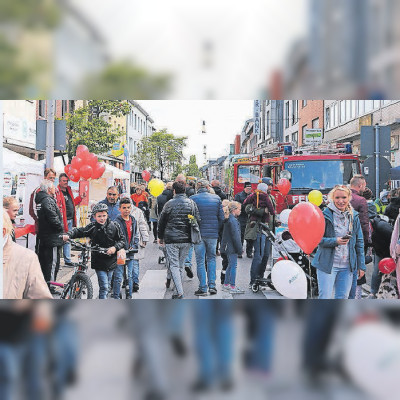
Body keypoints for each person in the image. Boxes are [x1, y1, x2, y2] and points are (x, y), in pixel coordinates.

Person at [312, 185, 366, 299]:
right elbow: (316, 239)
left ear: (349, 198)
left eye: (344, 197)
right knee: (325, 297)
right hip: (327, 265)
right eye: (337, 198)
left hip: (347, 266)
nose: (341, 201)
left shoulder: (353, 216)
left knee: (343, 297)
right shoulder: (324, 215)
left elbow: (359, 242)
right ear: (332, 198)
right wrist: (335, 241)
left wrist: (361, 266)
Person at [63, 202, 125, 299]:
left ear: (107, 215)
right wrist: (69, 235)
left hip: (111, 261)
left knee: (107, 285)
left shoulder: (114, 226)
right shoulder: (92, 227)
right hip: (99, 261)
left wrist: (115, 248)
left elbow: (122, 240)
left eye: (104, 215)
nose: (102, 218)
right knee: (104, 287)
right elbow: (80, 231)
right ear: (94, 217)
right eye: (99, 216)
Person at [158, 181, 200, 299]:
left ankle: (180, 292)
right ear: (185, 190)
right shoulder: (191, 203)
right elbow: (198, 220)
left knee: (174, 265)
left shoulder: (169, 204)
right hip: (187, 238)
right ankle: (177, 291)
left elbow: (162, 222)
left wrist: (160, 237)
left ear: (174, 191)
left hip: (171, 238)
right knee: (180, 265)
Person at [3, 210, 52, 299]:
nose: (16, 213)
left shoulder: (26, 258)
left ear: (2, 232)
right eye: (14, 210)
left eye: (16, 210)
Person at [191, 179, 225, 296]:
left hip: (199, 234)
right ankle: (212, 286)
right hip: (212, 234)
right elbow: (221, 218)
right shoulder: (216, 199)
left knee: (200, 261)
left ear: (198, 186)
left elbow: (191, 217)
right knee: (211, 259)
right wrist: (216, 229)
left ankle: (203, 287)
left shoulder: (193, 198)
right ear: (207, 187)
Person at [35, 180, 65, 293]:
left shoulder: (40, 199)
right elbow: (53, 218)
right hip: (52, 237)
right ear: (48, 189)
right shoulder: (47, 200)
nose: (55, 189)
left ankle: (45, 285)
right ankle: (50, 287)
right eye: (53, 187)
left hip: (45, 236)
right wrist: (60, 227)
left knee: (45, 262)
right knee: (52, 263)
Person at [244, 183, 275, 287]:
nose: (271, 187)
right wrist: (262, 210)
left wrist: (276, 222)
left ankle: (260, 277)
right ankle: (253, 280)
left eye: (271, 185)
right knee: (258, 255)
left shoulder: (271, 197)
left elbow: (272, 213)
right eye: (269, 185)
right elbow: (247, 208)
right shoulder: (255, 196)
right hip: (258, 229)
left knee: (266, 255)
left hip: (269, 231)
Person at [56, 173, 86, 267]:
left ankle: (67, 260)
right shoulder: (57, 191)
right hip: (62, 220)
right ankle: (58, 261)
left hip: (70, 219)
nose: (66, 182)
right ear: (59, 181)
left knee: (68, 239)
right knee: (61, 240)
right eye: (64, 181)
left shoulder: (68, 190)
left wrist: (80, 198)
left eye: (67, 181)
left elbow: (73, 203)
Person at [113, 198, 140, 299]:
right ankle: (116, 296)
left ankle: (129, 295)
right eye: (124, 208)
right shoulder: (116, 222)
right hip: (120, 252)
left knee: (130, 276)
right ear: (119, 209)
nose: (126, 210)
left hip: (130, 251)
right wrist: (119, 248)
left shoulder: (133, 220)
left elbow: (136, 235)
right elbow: (114, 237)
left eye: (128, 207)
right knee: (118, 276)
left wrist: (135, 245)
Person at [349, 175, 370, 299]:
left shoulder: (341, 197)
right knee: (358, 269)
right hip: (357, 239)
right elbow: (364, 222)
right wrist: (367, 240)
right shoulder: (360, 200)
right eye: (364, 185)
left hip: (343, 241)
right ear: (360, 185)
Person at [28, 168, 57, 252]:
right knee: (41, 249)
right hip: (42, 226)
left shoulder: (55, 190)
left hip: (53, 226)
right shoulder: (38, 190)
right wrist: (40, 220)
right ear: (45, 177)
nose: (52, 180)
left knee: (51, 251)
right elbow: (32, 209)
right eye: (50, 177)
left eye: (54, 178)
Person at [221, 201, 244, 294]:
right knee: (233, 266)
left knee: (230, 265)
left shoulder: (229, 218)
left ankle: (226, 284)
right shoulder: (233, 220)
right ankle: (232, 286)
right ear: (234, 210)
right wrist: (240, 249)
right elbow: (236, 236)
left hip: (227, 246)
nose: (240, 211)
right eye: (239, 209)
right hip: (231, 247)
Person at [130, 197, 150, 292]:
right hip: (124, 241)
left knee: (134, 262)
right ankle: (129, 281)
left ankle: (135, 282)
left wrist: (145, 237)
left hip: (134, 240)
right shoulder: (120, 211)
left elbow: (142, 225)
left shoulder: (137, 212)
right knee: (129, 263)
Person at [234, 182, 253, 258]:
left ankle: (249, 252)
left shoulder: (253, 196)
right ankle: (239, 251)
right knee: (240, 236)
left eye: (250, 188)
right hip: (242, 218)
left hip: (250, 218)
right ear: (244, 188)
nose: (249, 190)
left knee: (250, 237)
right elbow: (237, 206)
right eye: (247, 188)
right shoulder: (238, 196)